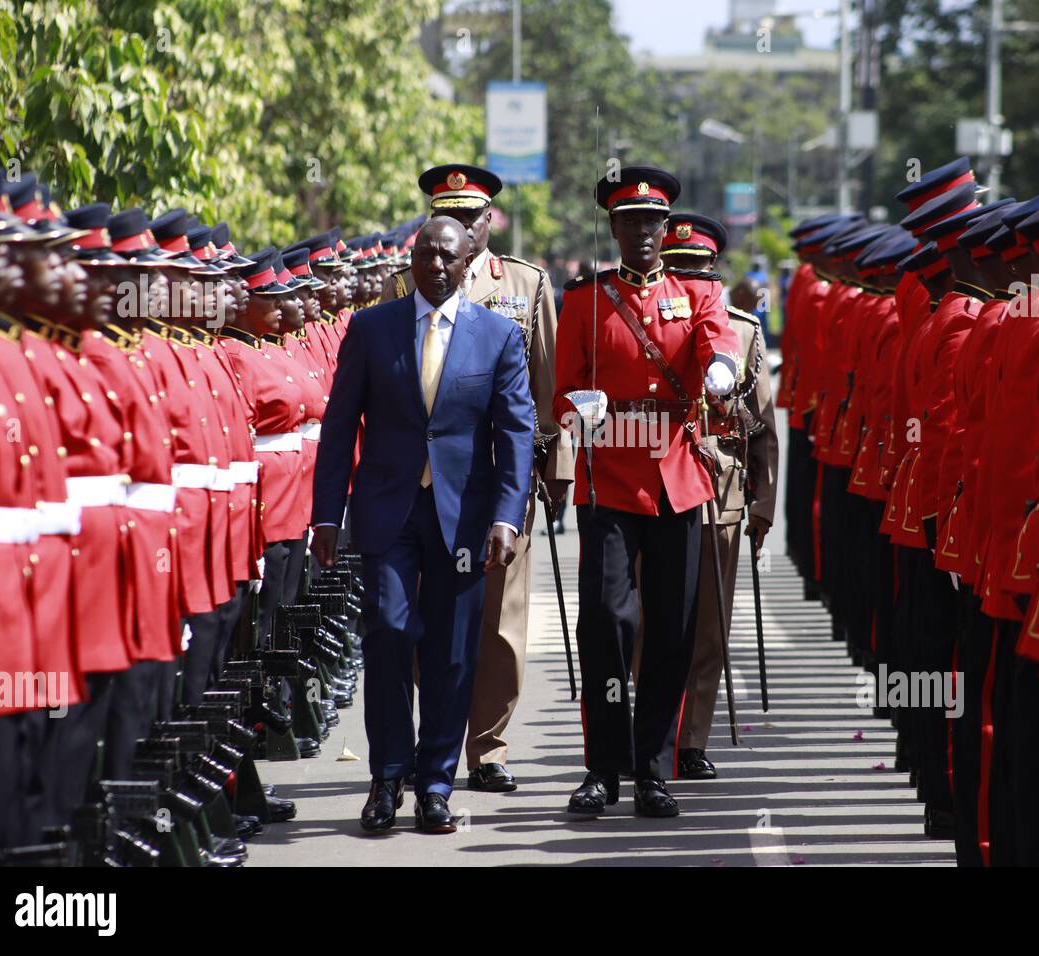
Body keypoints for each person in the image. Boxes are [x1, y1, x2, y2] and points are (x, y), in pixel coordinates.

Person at [310, 217, 534, 834]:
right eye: (426, 254)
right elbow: (339, 427)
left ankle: (436, 782)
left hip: (464, 519)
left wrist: (507, 516)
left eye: (448, 257)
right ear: (412, 261)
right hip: (388, 511)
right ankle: (387, 776)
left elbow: (516, 433)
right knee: (387, 632)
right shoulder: (371, 328)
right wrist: (326, 514)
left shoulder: (498, 335)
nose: (436, 265)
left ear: (467, 264)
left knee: (452, 654)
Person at [553, 166, 741, 818]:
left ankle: (654, 769)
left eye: (651, 222)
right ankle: (603, 767)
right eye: (629, 222)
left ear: (665, 228)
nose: (641, 232)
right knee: (607, 621)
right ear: (613, 228)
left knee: (672, 629)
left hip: (675, 478)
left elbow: (718, 344)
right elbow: (561, 395)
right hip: (608, 476)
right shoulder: (585, 300)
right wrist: (582, 406)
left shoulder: (698, 292)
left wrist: (721, 371)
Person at [383, 163, 573, 794]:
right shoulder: (402, 283)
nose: (461, 228)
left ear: (489, 219)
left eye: (470, 217)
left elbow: (548, 392)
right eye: (449, 217)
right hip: (427, 483)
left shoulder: (526, 284)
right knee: (424, 621)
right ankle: (430, 741)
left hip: (501, 482)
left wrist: (555, 471)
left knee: (498, 622)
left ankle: (487, 746)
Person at [659, 212, 779, 780]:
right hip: (656, 489)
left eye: (696, 268)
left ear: (715, 271)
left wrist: (763, 504)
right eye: (676, 267)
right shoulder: (647, 324)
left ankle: (691, 739)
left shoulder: (743, 331)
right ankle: (655, 731)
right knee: (651, 623)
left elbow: (763, 429)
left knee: (708, 626)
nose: (686, 278)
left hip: (719, 493)